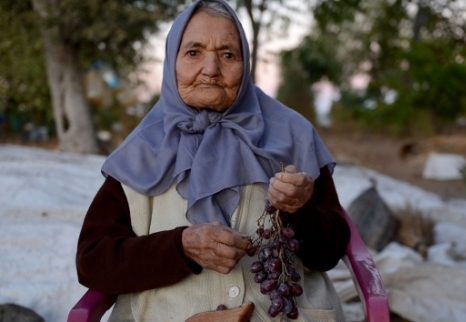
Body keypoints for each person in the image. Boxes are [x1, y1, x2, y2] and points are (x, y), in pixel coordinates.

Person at [76, 0, 350, 321]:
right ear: (172, 63)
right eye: (193, 53)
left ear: (245, 64)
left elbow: (329, 252)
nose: (211, 69)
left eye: (227, 54)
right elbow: (93, 262)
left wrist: (299, 209)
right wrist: (181, 246)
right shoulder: (141, 150)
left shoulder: (292, 135)